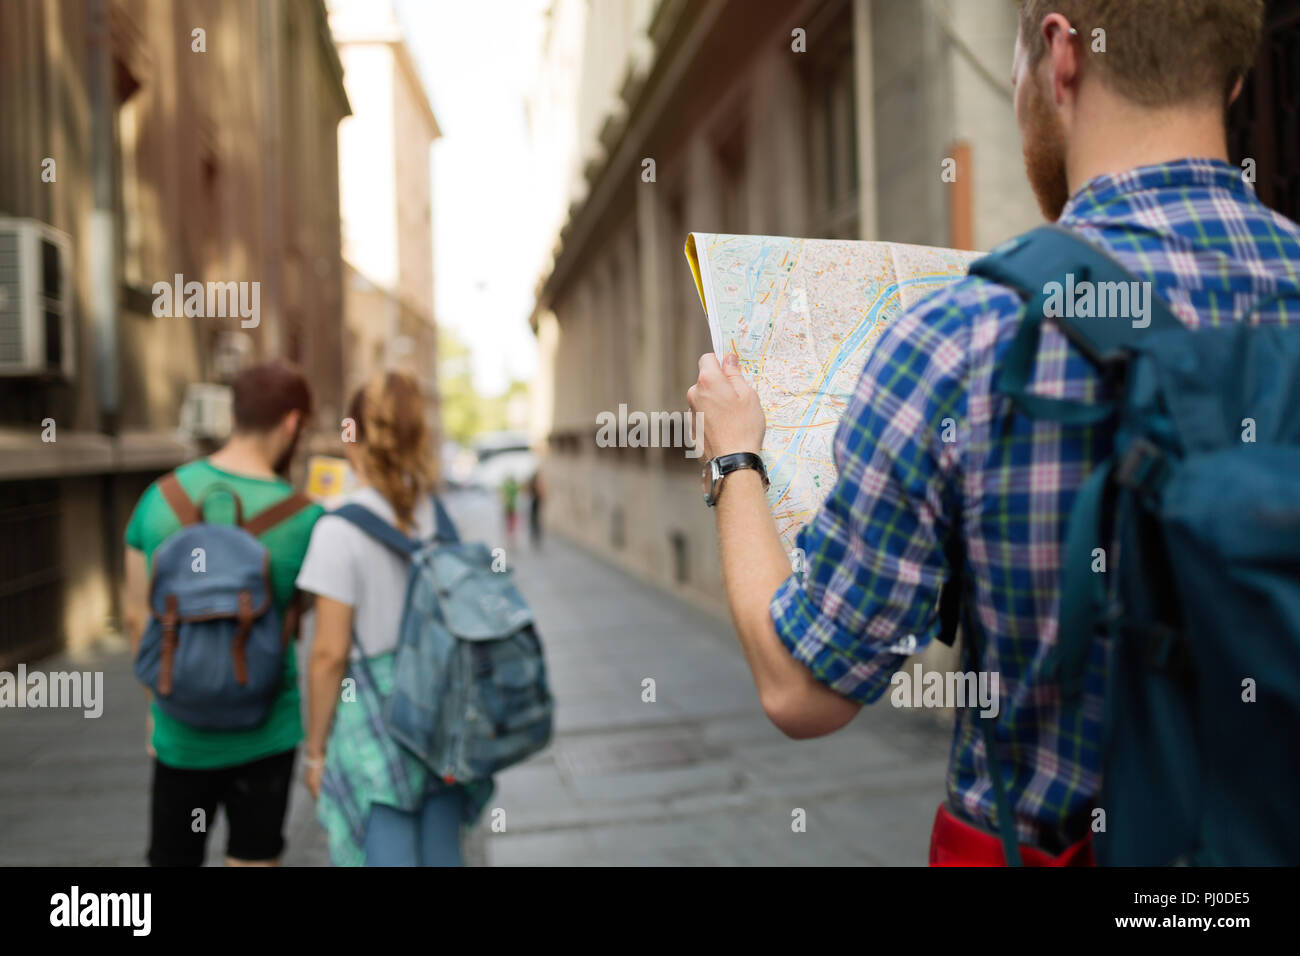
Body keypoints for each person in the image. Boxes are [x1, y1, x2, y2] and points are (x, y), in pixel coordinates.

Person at [687, 0, 1298, 865]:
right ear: (1233, 77)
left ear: (1060, 57)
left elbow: (801, 689)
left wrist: (735, 457)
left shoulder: (961, 339)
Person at [124, 360, 322, 867]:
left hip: (180, 726)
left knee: (174, 856)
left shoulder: (159, 498)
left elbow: (136, 618)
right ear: (293, 423)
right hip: (266, 726)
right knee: (254, 856)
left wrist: (157, 703)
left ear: (235, 413)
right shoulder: (306, 517)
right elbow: (307, 617)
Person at [296, 371, 493, 866]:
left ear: (355, 437)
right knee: (444, 851)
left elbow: (328, 654)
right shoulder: (445, 516)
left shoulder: (338, 529)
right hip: (442, 710)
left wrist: (315, 750)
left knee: (386, 849)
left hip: (375, 716)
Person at [527, 470, 544, 549]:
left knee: (535, 520)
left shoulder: (535, 484)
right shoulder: (534, 484)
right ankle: (535, 535)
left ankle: (535, 535)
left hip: (535, 503)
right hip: (534, 503)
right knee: (534, 520)